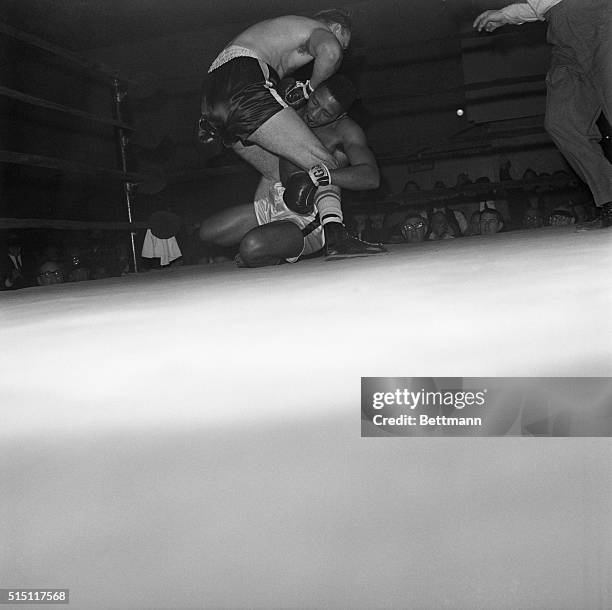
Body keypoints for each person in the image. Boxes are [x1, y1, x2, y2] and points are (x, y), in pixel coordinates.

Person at [199, 75, 383, 266]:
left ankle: (277, 251)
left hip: (308, 215)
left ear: (340, 115)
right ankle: (271, 244)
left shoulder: (346, 130)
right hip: (276, 199)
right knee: (207, 232)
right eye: (315, 102)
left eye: (326, 113)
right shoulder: (294, 107)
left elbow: (371, 177)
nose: (314, 113)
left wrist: (321, 176)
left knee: (251, 248)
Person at [473, 0, 612, 227]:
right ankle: (610, 197)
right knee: (562, 122)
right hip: (560, 31)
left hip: (598, 14)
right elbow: (541, 4)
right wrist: (505, 14)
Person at [199, 9, 352, 199]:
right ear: (336, 28)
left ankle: (272, 221)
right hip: (244, 79)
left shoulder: (287, 32)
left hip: (213, 93)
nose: (343, 48)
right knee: (327, 168)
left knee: (279, 174)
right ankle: (333, 224)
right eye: (343, 41)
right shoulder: (317, 29)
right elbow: (331, 53)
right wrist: (309, 89)